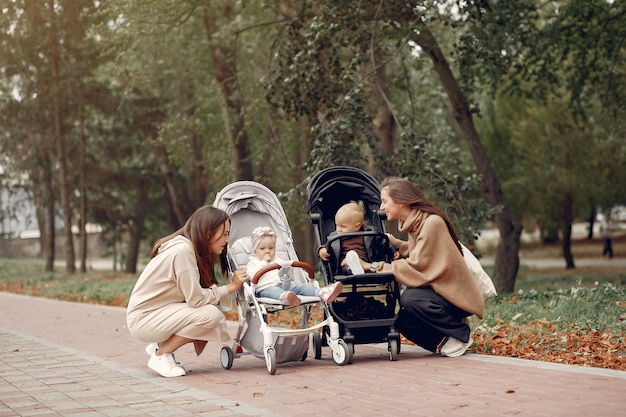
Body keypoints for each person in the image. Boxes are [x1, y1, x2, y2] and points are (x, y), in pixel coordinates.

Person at [362, 176, 484, 357]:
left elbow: (417, 266)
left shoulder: (432, 223)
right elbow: (418, 252)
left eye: (385, 201)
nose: (381, 207)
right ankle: (446, 341)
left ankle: (460, 332)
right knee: (402, 322)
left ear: (402, 201)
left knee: (410, 299)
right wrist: (392, 242)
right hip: (440, 292)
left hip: (455, 296)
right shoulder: (415, 224)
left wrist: (374, 266)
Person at [126, 205, 248, 378]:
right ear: (208, 233)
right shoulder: (183, 251)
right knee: (210, 316)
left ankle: (159, 347)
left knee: (210, 312)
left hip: (154, 313)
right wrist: (231, 287)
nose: (227, 240)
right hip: (144, 319)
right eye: (225, 234)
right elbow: (196, 300)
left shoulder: (187, 248)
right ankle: (161, 354)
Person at [246, 226, 343, 306]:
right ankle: (286, 297)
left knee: (299, 287)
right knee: (273, 291)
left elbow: (287, 270)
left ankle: (322, 292)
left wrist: (287, 271)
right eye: (262, 249)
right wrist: (264, 263)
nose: (267, 251)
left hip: (283, 285)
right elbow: (253, 276)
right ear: (255, 250)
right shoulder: (253, 263)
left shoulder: (277, 259)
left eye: (271, 248)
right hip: (265, 288)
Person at [317, 201, 397, 275]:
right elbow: (326, 246)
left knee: (364, 262)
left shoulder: (369, 233)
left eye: (343, 226)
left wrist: (393, 250)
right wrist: (322, 250)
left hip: (366, 260)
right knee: (347, 266)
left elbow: (383, 242)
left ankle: (359, 269)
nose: (339, 229)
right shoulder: (335, 237)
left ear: (357, 226)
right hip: (345, 262)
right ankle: (355, 270)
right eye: (337, 225)